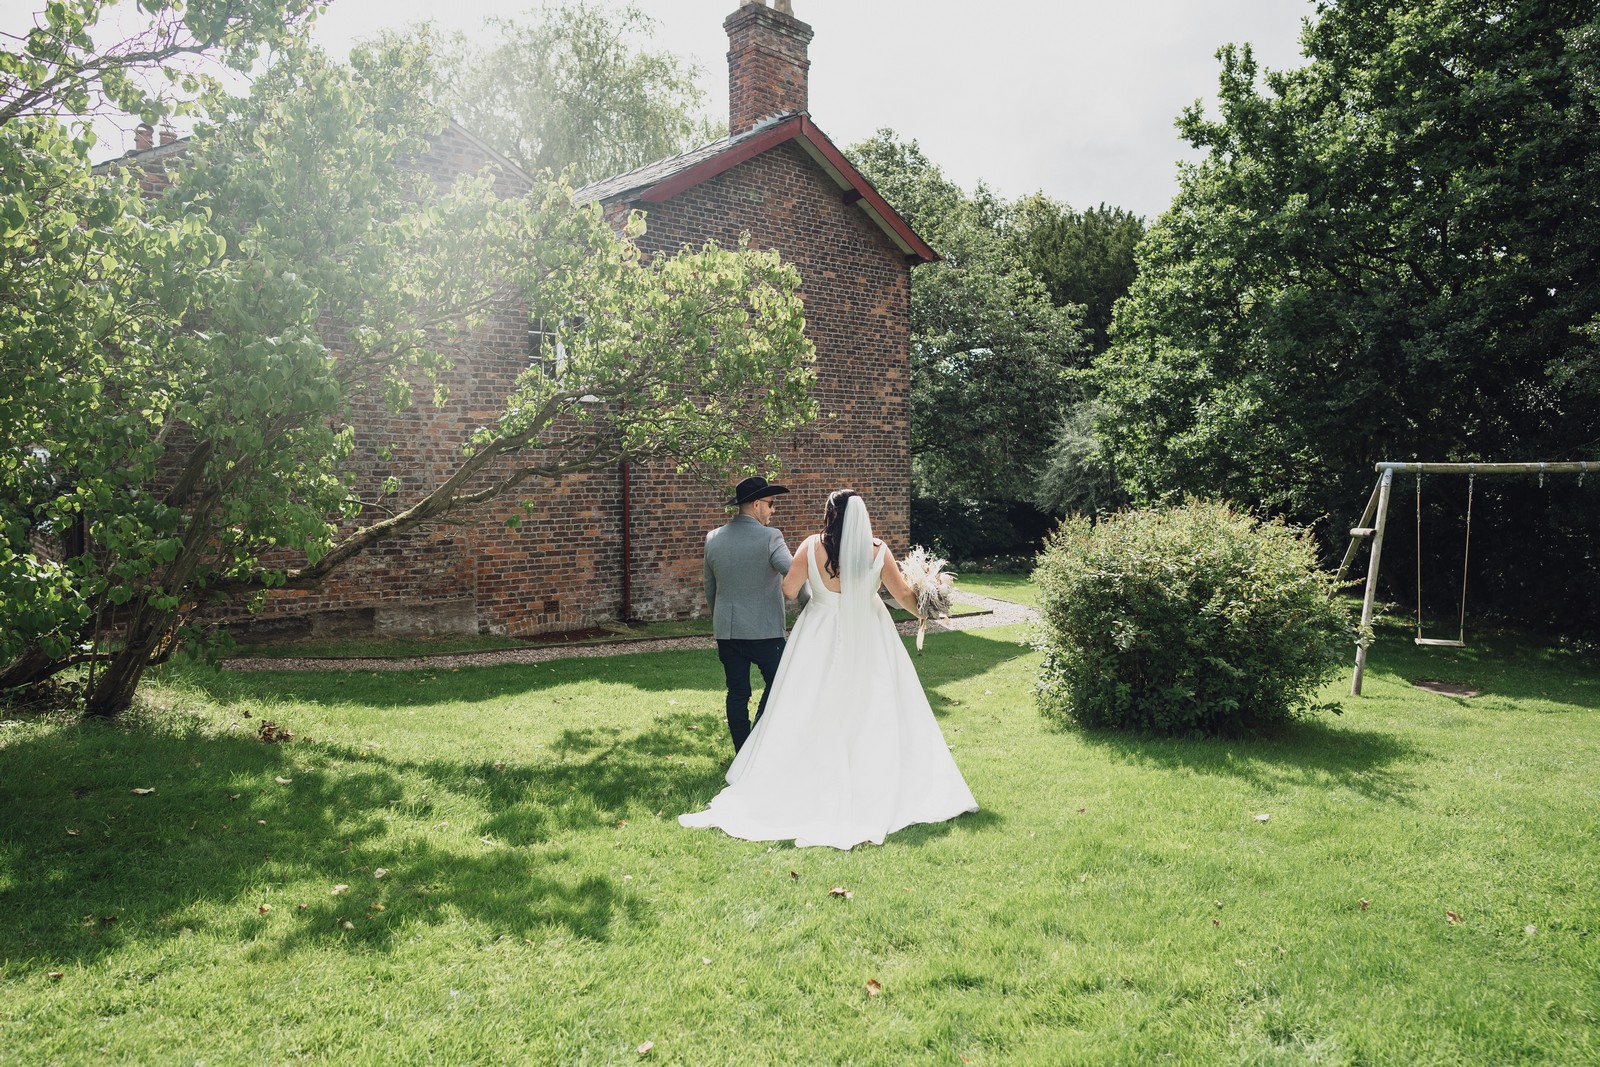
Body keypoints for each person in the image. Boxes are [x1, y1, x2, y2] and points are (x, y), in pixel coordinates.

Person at [681, 489, 978, 850]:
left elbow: (790, 590)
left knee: (806, 703)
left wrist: (818, 587)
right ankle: (876, 777)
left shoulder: (810, 546)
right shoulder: (879, 550)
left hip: (818, 631)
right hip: (869, 632)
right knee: (874, 703)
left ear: (830, 515)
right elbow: (902, 597)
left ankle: (798, 775)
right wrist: (928, 602)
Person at [703, 475, 807, 752]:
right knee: (781, 684)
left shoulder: (712, 538)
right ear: (757, 504)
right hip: (765, 632)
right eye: (772, 504)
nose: (774, 510)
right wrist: (812, 607)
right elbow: (794, 575)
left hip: (727, 631)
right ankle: (755, 747)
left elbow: (710, 589)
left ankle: (742, 751)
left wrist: (721, 621)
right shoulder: (771, 536)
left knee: (737, 693)